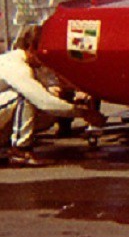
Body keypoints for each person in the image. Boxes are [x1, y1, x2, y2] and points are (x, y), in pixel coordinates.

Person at [0, 27, 105, 167]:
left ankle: (10, 143)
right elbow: (44, 102)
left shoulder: (30, 63)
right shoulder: (15, 65)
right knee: (26, 97)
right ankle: (20, 151)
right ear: (31, 47)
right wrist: (84, 113)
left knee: (48, 99)